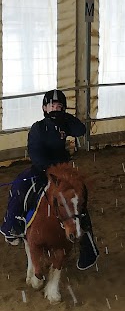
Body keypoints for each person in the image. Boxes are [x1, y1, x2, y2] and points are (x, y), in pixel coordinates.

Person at [0, 89, 99, 270]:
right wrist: (47, 169)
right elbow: (35, 152)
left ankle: (87, 246)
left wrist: (64, 118)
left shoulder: (65, 124)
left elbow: (81, 129)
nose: (55, 108)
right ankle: (13, 226)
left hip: (63, 171)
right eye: (52, 105)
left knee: (80, 194)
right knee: (20, 186)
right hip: (42, 169)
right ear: (44, 108)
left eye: (59, 106)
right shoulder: (38, 127)